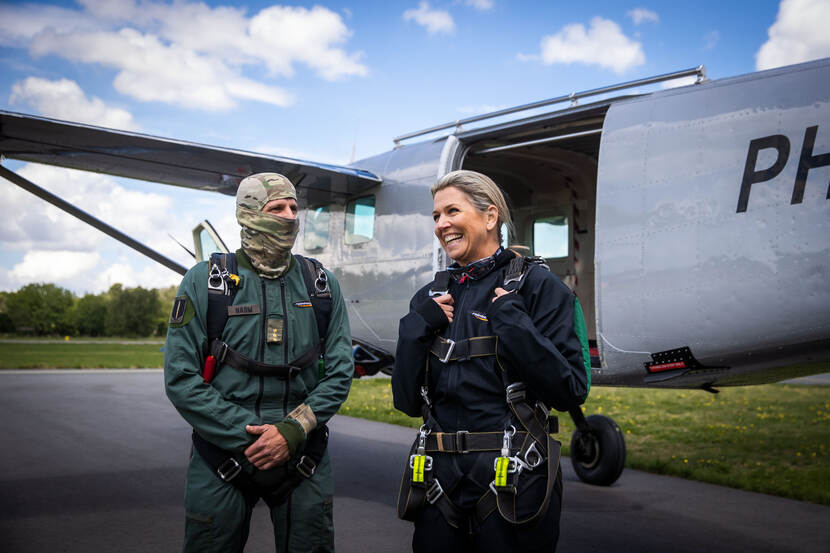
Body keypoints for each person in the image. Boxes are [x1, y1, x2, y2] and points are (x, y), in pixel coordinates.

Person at [392, 170, 590, 552]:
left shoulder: (538, 287)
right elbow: (406, 403)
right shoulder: (431, 297)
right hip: (439, 481)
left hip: (513, 476)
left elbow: (570, 390)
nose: (442, 224)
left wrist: (514, 324)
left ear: (489, 216)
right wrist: (415, 329)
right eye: (436, 216)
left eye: (452, 211)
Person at [164, 172, 353, 553]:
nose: (289, 216)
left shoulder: (321, 284)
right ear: (248, 214)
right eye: (276, 207)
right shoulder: (205, 283)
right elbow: (181, 378)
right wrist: (249, 436)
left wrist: (291, 432)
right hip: (222, 454)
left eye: (294, 207)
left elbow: (339, 372)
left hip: (303, 456)